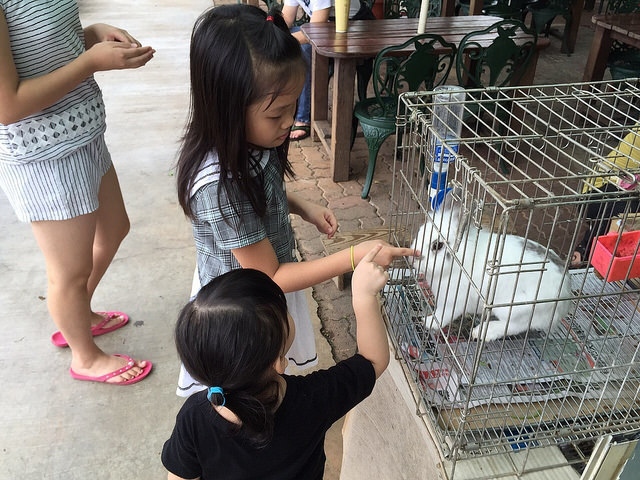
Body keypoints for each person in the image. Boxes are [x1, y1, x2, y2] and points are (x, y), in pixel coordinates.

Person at [174, 4, 414, 396]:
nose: (289, 123)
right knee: (250, 384)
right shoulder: (220, 184)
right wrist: (355, 256)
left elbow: (264, 190)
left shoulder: (252, 140)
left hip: (264, 280)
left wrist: (302, 205)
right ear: (227, 107)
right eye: (278, 113)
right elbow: (269, 276)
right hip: (242, 310)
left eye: (293, 107)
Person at [0, 1, 154, 384]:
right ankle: (84, 357)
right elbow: (8, 104)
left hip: (82, 134)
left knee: (114, 229)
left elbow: (40, 49)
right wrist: (90, 62)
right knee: (69, 271)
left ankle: (77, 315)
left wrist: (92, 36)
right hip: (43, 154)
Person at [162, 244, 390, 480]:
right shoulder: (314, 399)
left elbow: (180, 477)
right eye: (284, 311)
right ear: (278, 361)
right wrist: (364, 296)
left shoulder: (194, 417)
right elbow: (373, 361)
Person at [282, 0, 371, 140]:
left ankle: (303, 118)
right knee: (283, 40)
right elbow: (287, 17)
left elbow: (313, 33)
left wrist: (278, 40)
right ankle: (285, 106)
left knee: (303, 50)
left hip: (353, 27)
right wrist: (271, 31)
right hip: (327, 25)